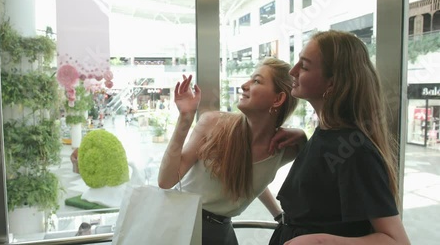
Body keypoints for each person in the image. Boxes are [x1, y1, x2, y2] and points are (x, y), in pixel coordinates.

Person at [268, 30, 411, 245]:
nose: (293, 71)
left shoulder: (354, 150)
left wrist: (321, 241)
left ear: (332, 83)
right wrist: (304, 142)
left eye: (304, 66)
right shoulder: (327, 135)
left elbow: (396, 240)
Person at [158, 57, 307, 245]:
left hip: (221, 233)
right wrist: (185, 118)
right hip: (182, 226)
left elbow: (248, 178)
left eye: (256, 81)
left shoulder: (285, 149)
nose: (244, 85)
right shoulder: (213, 123)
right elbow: (166, 180)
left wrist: (303, 138)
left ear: (277, 99)